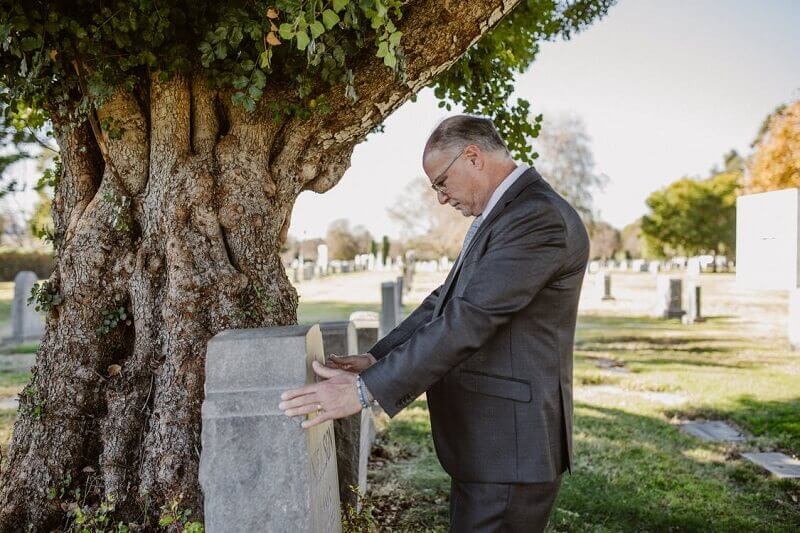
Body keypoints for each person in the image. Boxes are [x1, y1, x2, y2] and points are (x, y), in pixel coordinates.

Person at [279, 114, 589, 532]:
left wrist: (364, 392)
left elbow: (468, 320)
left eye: (441, 182)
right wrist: (376, 358)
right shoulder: (506, 214)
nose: (442, 198)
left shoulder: (537, 218)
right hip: (490, 446)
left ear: (473, 157)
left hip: (511, 449)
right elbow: (444, 302)